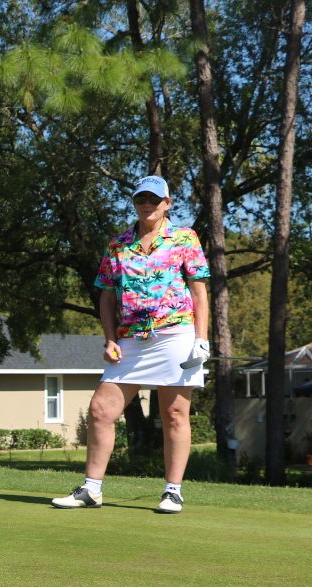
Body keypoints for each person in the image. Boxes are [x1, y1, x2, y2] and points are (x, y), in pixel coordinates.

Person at [52, 175, 210, 514]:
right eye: (142, 199)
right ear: (135, 203)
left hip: (175, 334)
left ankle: (173, 491)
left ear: (167, 203)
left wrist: (202, 339)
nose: (147, 204)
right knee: (100, 411)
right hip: (129, 340)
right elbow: (107, 298)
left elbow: (199, 291)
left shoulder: (184, 237)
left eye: (155, 199)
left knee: (174, 413)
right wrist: (109, 338)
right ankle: (91, 489)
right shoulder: (118, 244)